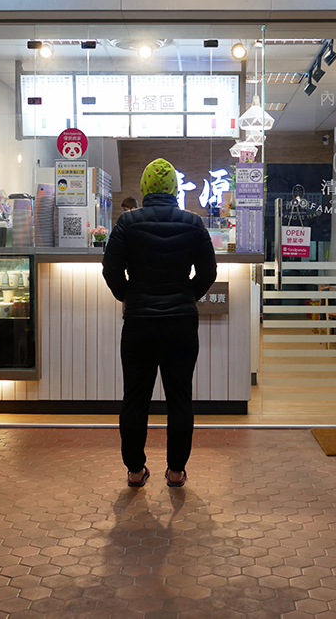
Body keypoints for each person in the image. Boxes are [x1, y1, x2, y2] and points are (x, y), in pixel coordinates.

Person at [102, 158, 217, 488]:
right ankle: (176, 471)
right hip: (181, 324)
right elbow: (208, 273)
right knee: (180, 398)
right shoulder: (193, 223)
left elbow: (111, 271)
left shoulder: (127, 223)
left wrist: (130, 296)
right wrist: (186, 296)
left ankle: (135, 471)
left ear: (145, 187)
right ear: (173, 189)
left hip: (138, 322)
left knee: (135, 398)